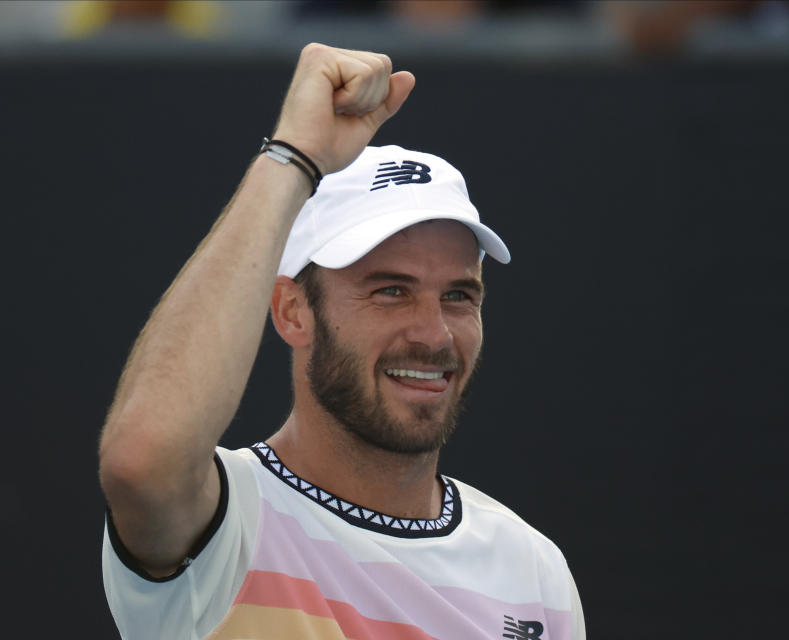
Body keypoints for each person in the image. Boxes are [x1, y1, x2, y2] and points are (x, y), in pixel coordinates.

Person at [98, 43, 585, 640]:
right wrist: (292, 156)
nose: (433, 334)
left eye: (458, 295)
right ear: (292, 311)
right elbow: (140, 461)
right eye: (390, 291)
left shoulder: (534, 571)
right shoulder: (227, 527)